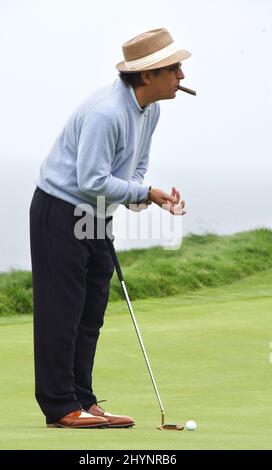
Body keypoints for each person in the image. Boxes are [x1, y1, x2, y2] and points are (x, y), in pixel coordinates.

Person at [29, 27, 190, 429]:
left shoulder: (150, 109)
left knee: (90, 312)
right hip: (61, 209)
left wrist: (145, 194)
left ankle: (83, 398)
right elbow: (91, 180)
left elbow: (134, 168)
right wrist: (147, 193)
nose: (182, 77)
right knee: (62, 311)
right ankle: (59, 405)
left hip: (96, 214)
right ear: (147, 75)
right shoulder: (107, 112)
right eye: (174, 69)